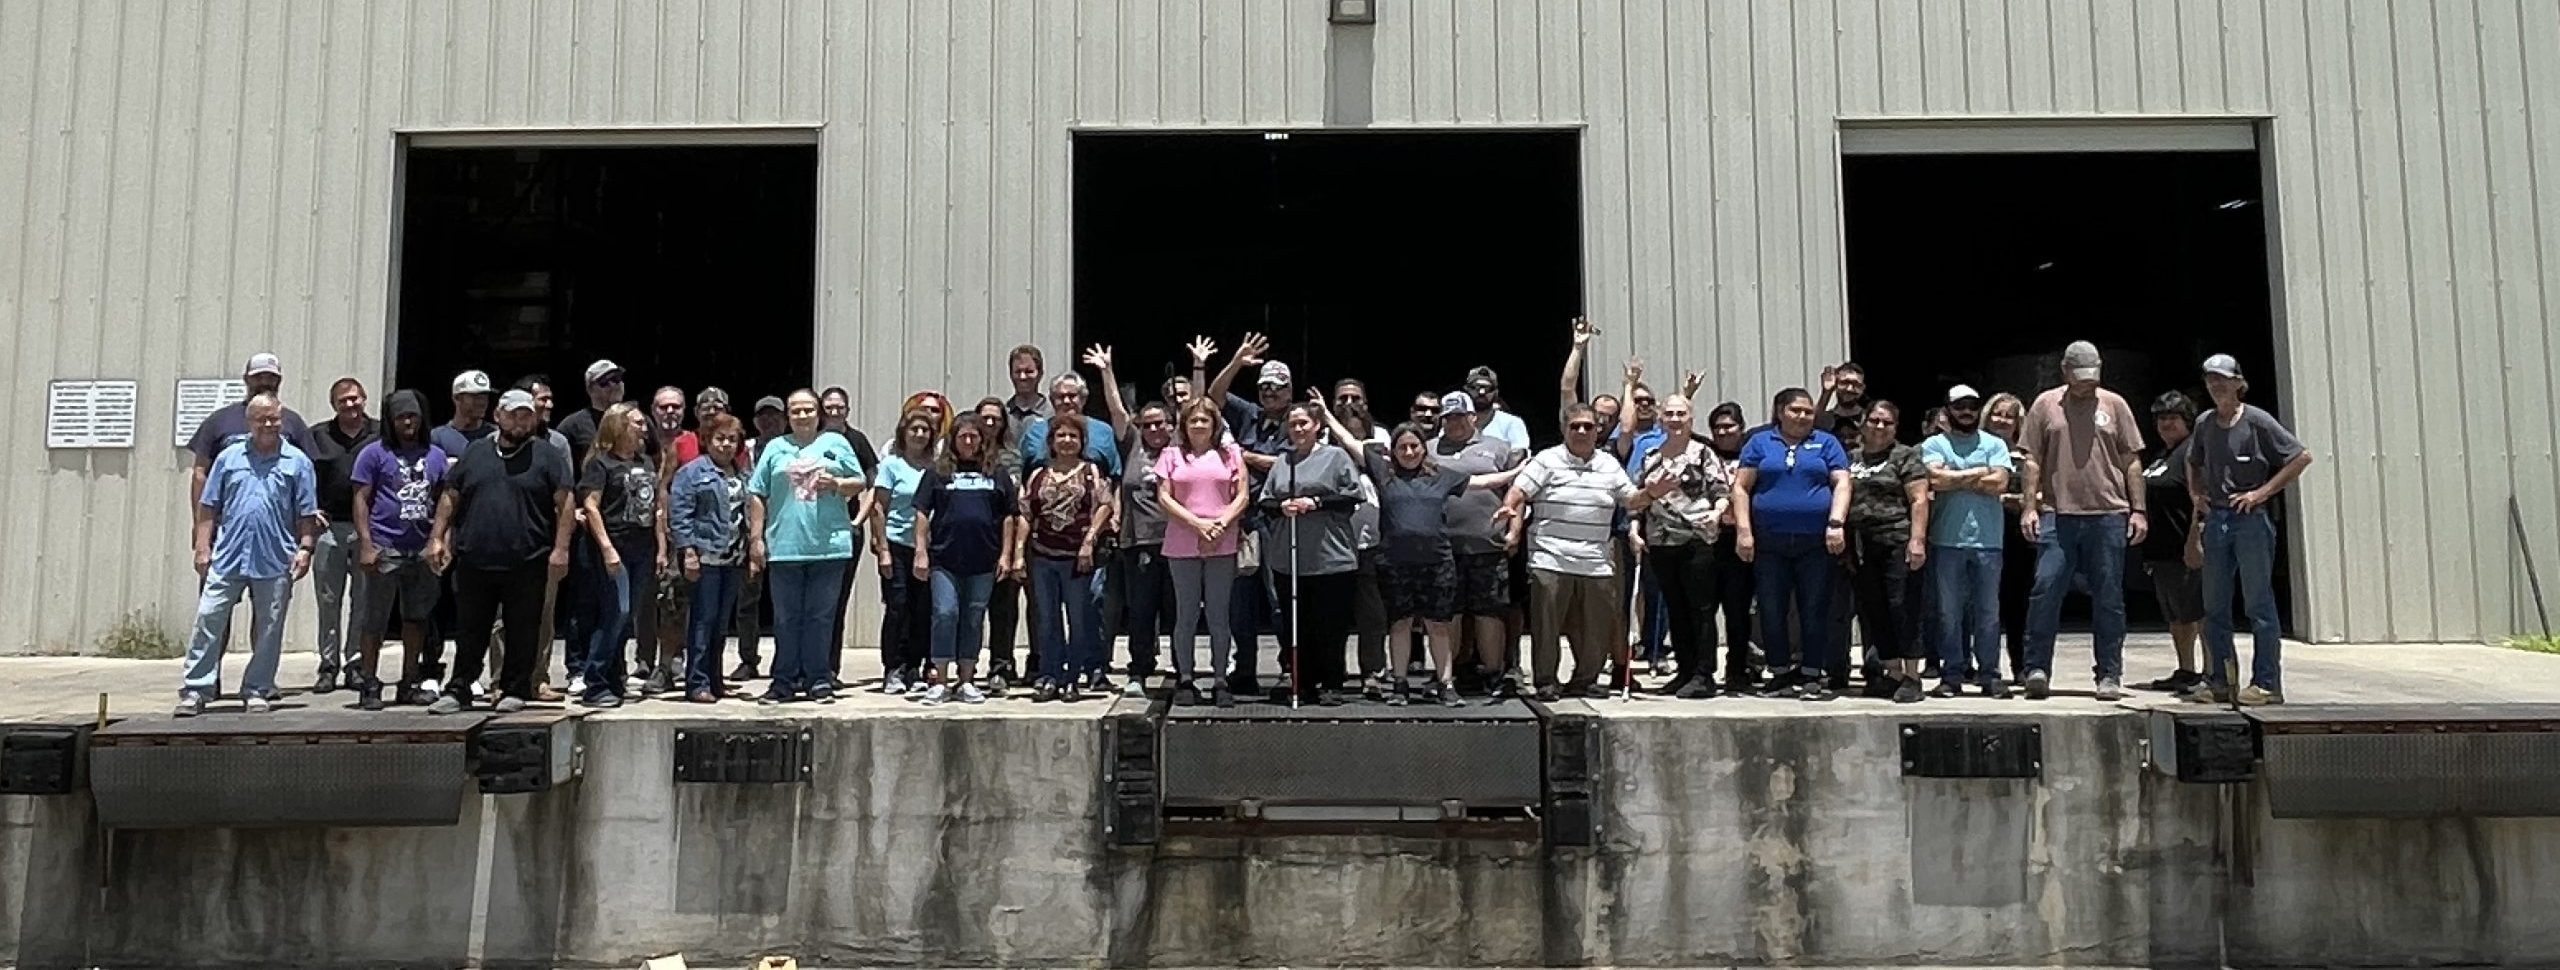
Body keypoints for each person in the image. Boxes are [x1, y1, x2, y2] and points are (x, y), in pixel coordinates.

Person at [1324, 406, 1507, 706]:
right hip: (1395, 564)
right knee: (1400, 624)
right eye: (1402, 447)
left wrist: (1520, 475)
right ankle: (1399, 684)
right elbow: (1350, 442)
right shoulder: (1384, 473)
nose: (1408, 452)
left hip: (1437, 564)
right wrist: (1327, 416)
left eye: (1414, 446)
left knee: (1438, 625)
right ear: (1393, 451)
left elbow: (1481, 482)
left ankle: (1446, 684)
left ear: (1424, 448)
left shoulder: (1442, 476)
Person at [424, 389, 575, 715]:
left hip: (528, 559)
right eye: (513, 414)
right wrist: (437, 537)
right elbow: (451, 495)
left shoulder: (548, 456)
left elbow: (565, 504)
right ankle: (460, 688)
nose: (521, 422)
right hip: (475, 559)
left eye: (526, 415)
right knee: (470, 629)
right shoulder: (475, 452)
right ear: (498, 416)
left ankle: (515, 687)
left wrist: (561, 549)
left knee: (523, 628)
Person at [1498, 403, 1657, 700]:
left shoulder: (1609, 464)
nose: (1582, 431)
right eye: (1575, 426)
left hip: (1595, 561)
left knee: (1596, 629)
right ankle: (1546, 681)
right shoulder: (1547, 460)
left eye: (1588, 426)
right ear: (1564, 430)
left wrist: (1652, 492)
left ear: (1598, 430)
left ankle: (1584, 680)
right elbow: (1520, 490)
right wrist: (1510, 508)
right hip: (1550, 557)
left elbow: (1631, 500)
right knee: (1547, 628)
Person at [2018, 340, 2148, 702]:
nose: (2085, 384)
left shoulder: (2115, 404)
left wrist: (2138, 510)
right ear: (2065, 371)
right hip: (2058, 514)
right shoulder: (2045, 405)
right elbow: (2031, 461)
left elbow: (2131, 460)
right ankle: (2037, 668)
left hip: (2108, 513)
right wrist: (2030, 507)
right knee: (2045, 588)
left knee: (2109, 596)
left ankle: (2109, 673)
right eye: (2079, 377)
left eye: (2091, 377)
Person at [176, 394, 321, 717]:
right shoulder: (229, 458)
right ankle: (196, 689)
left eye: (273, 418)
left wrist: (306, 548)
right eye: (261, 419)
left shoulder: (297, 462)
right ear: (249, 422)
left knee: (269, 626)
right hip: (228, 555)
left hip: (275, 557)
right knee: (209, 619)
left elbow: (306, 513)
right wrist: (202, 546)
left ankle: (256, 689)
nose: (268, 424)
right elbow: (209, 506)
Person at [2185, 354, 2312, 706]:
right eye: (2210, 380)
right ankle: (2220, 680)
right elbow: (2192, 461)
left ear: (2239, 383)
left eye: (2223, 380)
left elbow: (2300, 456)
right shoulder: (2205, 423)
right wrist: (2197, 496)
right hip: (2218, 519)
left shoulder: (2257, 421)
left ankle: (2267, 683)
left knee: (2258, 603)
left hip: (2251, 520)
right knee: (2215, 605)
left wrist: (2262, 492)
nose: (2216, 386)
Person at [747, 390, 871, 704]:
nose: (802, 416)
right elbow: (757, 492)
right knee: (787, 618)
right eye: (796, 411)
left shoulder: (836, 443)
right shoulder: (776, 447)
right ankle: (783, 681)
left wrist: (839, 485)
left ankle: (819, 679)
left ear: (819, 413)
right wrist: (756, 539)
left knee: (821, 616)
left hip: (829, 545)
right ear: (788, 416)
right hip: (785, 545)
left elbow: (860, 481)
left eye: (808, 410)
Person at [1733, 388, 1852, 701]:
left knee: (1814, 607)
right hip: (1770, 542)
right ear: (1780, 411)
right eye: (1796, 410)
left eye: (1808, 411)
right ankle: (1780, 672)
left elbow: (1841, 483)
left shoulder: (1827, 443)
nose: (1803, 417)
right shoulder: (1759, 443)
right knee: (1771, 608)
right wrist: (1744, 531)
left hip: (1815, 542)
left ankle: (1812, 672)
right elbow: (1742, 487)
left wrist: (1836, 523)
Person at [349, 390, 448, 711]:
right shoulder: (373, 454)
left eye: (414, 416)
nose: (408, 422)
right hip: (384, 546)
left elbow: (443, 500)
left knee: (416, 618)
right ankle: (369, 682)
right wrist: (366, 543)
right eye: (402, 417)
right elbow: (361, 499)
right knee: (375, 620)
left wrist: (440, 540)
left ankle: (409, 682)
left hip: (420, 550)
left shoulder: (435, 455)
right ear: (391, 421)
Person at [1260, 402, 1365, 706]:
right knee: (1297, 624)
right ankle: (1302, 681)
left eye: (1304, 423)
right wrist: (1282, 507)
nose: (1299, 429)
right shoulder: (1283, 462)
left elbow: (1350, 497)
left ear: (1317, 425)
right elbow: (1266, 501)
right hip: (1290, 558)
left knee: (1330, 624)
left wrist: (1315, 502)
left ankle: (1332, 681)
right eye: (1293, 424)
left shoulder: (1336, 457)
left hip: (1331, 558)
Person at [913, 417, 1022, 706]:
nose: (969, 442)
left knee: (974, 618)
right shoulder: (937, 473)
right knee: (945, 613)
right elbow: (922, 513)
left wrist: (1006, 554)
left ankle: (967, 680)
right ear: (953, 440)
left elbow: (1009, 516)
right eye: (963, 437)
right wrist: (920, 551)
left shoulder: (996, 473)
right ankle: (940, 679)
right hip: (944, 560)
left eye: (974, 436)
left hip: (984, 561)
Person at [1632, 395, 1732, 699]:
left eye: (1681, 414)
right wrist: (1635, 531)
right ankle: (1685, 670)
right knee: (1675, 607)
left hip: (1696, 540)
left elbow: (1721, 491)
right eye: (1670, 414)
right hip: (1661, 542)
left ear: (1691, 418)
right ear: (1661, 418)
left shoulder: (1703, 453)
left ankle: (1704, 674)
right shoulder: (1650, 455)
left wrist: (1716, 514)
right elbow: (1638, 499)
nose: (1675, 419)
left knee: (1700, 609)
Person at [1920, 386, 2017, 698]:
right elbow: (1935, 480)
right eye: (1959, 406)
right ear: (1948, 409)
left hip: (1989, 542)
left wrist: (1955, 477)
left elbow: (1999, 483)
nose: (1966, 411)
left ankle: (1990, 675)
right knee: (1949, 613)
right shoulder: (1935, 443)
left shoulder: (1995, 443)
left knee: (1988, 613)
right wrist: (1978, 473)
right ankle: (1952, 675)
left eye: (1972, 406)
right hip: (1946, 541)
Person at [1157, 397, 1251, 707]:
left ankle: (1220, 678)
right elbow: (1165, 498)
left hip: (1222, 541)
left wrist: (1221, 524)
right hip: (1182, 542)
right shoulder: (1171, 454)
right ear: (1184, 425)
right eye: (1193, 420)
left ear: (1215, 424)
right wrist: (1198, 524)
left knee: (1218, 614)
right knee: (1186, 614)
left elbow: (1242, 496)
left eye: (1204, 420)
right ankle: (1186, 677)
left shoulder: (1231, 453)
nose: (1199, 425)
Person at [574, 403, 668, 708]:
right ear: (618, 426)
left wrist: (660, 548)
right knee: (617, 611)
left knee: (628, 618)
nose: (643, 428)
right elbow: (591, 506)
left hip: (642, 548)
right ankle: (595, 680)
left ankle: (615, 678)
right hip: (615, 547)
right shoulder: (601, 464)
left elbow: (654, 509)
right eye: (637, 423)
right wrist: (607, 549)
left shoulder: (646, 462)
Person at [1433, 391, 1527, 694]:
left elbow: (1518, 491)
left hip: (1488, 544)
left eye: (1460, 416)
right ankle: (1449, 675)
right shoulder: (1427, 449)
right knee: (1449, 613)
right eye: (1448, 417)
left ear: (1474, 417)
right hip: (1443, 547)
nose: (1454, 423)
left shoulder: (1499, 448)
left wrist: (1514, 531)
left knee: (1490, 612)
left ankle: (1494, 674)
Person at [1844, 400, 1932, 702]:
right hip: (1862, 546)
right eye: (1874, 420)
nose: (1880, 427)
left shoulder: (1905, 456)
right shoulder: (1850, 458)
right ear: (1863, 423)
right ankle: (1891, 673)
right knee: (1874, 609)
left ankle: (1912, 675)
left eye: (1887, 422)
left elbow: (1919, 500)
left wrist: (1917, 540)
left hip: (1898, 541)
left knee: (1903, 607)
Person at [1023, 418, 1116, 701]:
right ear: (1051, 441)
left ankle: (1073, 678)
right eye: (1061, 435)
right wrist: (1017, 552)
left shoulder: (1090, 472)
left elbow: (1105, 506)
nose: (1066, 441)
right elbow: (1026, 513)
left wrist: (1089, 541)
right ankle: (1050, 675)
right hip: (1043, 557)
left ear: (1081, 441)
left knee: (1078, 618)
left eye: (1072, 436)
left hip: (1077, 559)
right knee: (1048, 619)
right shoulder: (1038, 473)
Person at [669, 414, 755, 704]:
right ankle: (697, 682)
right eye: (720, 439)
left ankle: (716, 680)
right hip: (705, 559)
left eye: (732, 439)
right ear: (707, 440)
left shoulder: (742, 474)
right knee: (702, 622)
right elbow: (680, 515)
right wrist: (688, 552)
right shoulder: (691, 473)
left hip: (733, 559)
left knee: (721, 624)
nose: (726, 445)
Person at [306, 377, 379, 694]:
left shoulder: (379, 433)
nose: (350, 405)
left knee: (363, 600)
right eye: (342, 400)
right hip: (329, 529)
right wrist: (309, 508)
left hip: (369, 531)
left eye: (354, 398)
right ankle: (328, 664)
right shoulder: (318, 435)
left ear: (364, 398)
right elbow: (302, 472)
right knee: (328, 600)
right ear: (333, 405)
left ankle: (356, 664)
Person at [2137, 390, 2207, 693]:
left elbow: (2201, 500)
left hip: (2187, 548)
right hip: (2162, 553)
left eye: (2173, 417)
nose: (2166, 423)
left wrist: (2195, 541)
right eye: (2161, 418)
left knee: (2200, 613)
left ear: (2187, 421)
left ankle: (2212, 672)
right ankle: (2186, 670)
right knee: (2177, 616)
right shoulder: (2162, 455)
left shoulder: (2193, 453)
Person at [868, 408, 939, 694]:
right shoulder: (891, 465)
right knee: (898, 607)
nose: (919, 434)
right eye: (914, 429)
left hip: (929, 547)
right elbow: (877, 508)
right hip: (897, 545)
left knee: (923, 610)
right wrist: (882, 548)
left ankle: (915, 667)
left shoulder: (936, 466)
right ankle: (893, 668)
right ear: (903, 432)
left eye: (925, 430)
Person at [817, 384, 882, 690]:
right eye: (828, 406)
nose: (833, 411)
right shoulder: (811, 438)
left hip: (845, 532)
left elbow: (873, 485)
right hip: (811, 531)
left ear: (848, 410)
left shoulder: (857, 441)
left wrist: (858, 520)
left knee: (836, 602)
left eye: (839, 407)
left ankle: (829, 668)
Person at [187, 353, 316, 504]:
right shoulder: (219, 420)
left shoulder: (293, 422)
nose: (264, 382)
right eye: (258, 377)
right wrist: (200, 521)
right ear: (246, 379)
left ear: (279, 381)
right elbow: (200, 473)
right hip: (228, 521)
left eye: (271, 377)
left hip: (280, 521)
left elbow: (308, 472)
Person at [726, 395, 791, 682]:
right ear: (754, 421)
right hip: (748, 534)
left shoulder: (793, 449)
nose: (769, 421)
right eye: (763, 416)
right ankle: (748, 659)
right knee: (747, 601)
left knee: (785, 603)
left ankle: (786, 661)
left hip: (785, 532)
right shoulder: (744, 451)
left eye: (775, 416)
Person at [971, 397, 1032, 692]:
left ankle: (1002, 666)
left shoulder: (1013, 456)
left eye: (996, 418)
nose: (991, 423)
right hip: (970, 542)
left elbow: (1015, 502)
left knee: (1004, 608)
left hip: (1002, 539)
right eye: (985, 418)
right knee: (969, 609)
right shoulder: (964, 452)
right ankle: (965, 666)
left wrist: (1011, 551)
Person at [1701, 402, 1759, 690]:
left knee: (1737, 612)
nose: (1724, 432)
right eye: (1718, 428)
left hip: (1740, 540)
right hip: (1708, 542)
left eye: (1730, 426)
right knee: (1704, 610)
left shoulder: (1753, 456)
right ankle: (1702, 672)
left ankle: (1738, 670)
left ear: (1741, 428)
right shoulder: (1703, 455)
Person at [1985, 390, 2038, 678]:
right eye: (1997, 413)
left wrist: (2024, 500)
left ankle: (2022, 666)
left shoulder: (2029, 455)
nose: (2002, 420)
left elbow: (2043, 493)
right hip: (1983, 532)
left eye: (2009, 416)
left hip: (2020, 537)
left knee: (2020, 603)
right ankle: (1981, 667)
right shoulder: (1977, 449)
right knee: (1983, 605)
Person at [556, 359, 626, 467]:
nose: (613, 385)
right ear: (590, 389)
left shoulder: (638, 420)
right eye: (605, 382)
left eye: (617, 379)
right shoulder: (572, 425)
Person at [1465, 366, 1532, 454]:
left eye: (1488, 388)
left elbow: (1520, 457)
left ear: (1496, 392)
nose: (1482, 392)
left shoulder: (1512, 423)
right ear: (1466, 389)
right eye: (1476, 387)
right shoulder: (1454, 422)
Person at [1001, 344, 1053, 440]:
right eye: (1018, 371)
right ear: (1010, 374)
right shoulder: (1002, 415)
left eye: (1028, 371)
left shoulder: (1053, 414)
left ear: (1040, 373)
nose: (1023, 377)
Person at [1817, 362, 1871, 439]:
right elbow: (1809, 427)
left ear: (1862, 388)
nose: (1849, 389)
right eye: (1845, 383)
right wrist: (1826, 392)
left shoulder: (1870, 419)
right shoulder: (1827, 419)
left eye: (1856, 384)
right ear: (1836, 384)